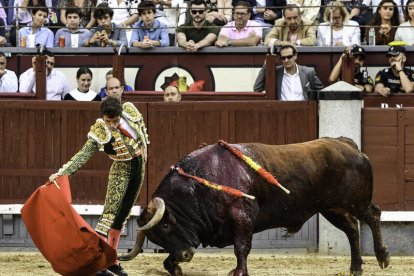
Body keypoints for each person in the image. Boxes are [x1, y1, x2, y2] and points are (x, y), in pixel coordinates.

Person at [49, 95, 149, 276]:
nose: (111, 125)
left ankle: (112, 261)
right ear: (102, 117)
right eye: (108, 121)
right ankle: (98, 263)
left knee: (123, 215)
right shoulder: (100, 130)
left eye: (115, 120)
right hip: (121, 169)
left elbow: (142, 136)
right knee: (109, 216)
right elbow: (84, 153)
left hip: (139, 166)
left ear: (121, 114)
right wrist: (63, 173)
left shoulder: (130, 111)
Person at [253, 44, 324, 100]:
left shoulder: (308, 72)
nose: (286, 60)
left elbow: (322, 92)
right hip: (283, 111)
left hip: (304, 110)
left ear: (295, 56)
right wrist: (266, 65)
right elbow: (257, 88)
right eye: (283, 58)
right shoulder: (276, 72)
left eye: (289, 57)